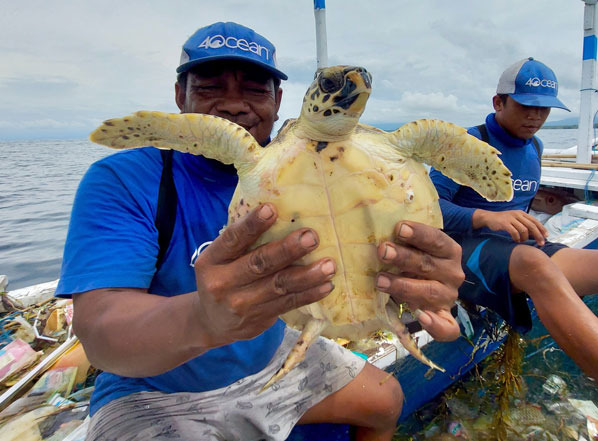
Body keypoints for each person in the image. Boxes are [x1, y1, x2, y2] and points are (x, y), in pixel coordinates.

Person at [56, 22, 464, 441]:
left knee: (386, 400)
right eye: (211, 86)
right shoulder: (126, 179)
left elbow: (363, 253)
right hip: (157, 388)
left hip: (273, 356)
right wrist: (203, 318)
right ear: (180, 95)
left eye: (254, 89)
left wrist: (424, 289)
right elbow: (101, 336)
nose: (234, 105)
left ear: (279, 100)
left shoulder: (324, 170)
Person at [430, 57, 598, 400]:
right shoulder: (462, 145)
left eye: (545, 110)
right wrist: (485, 217)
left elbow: (518, 204)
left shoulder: (535, 146)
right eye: (526, 106)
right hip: (463, 253)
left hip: (516, 255)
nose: (536, 117)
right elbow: (427, 210)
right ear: (498, 102)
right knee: (535, 266)